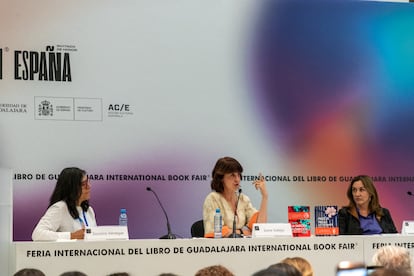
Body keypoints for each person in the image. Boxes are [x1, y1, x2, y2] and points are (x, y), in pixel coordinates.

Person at [202, 157, 268, 238]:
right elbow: (216, 231)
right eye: (232, 175)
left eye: (238, 175)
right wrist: (242, 231)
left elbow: (259, 228)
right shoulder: (213, 199)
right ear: (221, 178)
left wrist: (264, 196)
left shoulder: (243, 199)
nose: (237, 179)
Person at [32, 167, 97, 241]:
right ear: (71, 188)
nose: (89, 187)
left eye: (88, 182)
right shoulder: (60, 208)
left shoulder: (89, 210)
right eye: (83, 184)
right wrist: (71, 236)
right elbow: (38, 234)